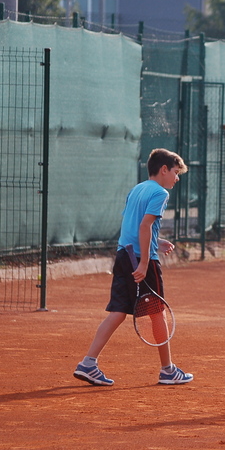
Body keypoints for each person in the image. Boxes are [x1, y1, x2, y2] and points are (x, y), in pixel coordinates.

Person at [73, 148, 194, 386]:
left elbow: (133, 225)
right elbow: (144, 226)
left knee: (118, 312)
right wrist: (145, 262)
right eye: (175, 172)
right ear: (164, 170)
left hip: (123, 255)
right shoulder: (160, 193)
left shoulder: (136, 189)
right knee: (157, 313)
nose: (176, 178)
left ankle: (88, 363)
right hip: (140, 259)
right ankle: (168, 370)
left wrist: (157, 241)